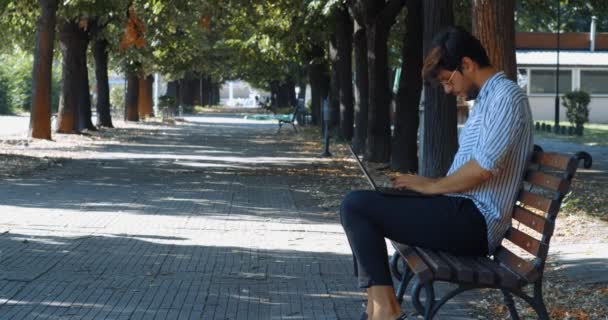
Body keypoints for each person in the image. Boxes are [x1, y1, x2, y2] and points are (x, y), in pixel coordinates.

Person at [340, 26, 533, 320]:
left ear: (466, 65)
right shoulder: (486, 101)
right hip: (460, 211)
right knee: (361, 205)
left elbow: (483, 169)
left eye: (447, 80)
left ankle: (384, 313)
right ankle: (376, 311)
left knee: (356, 207)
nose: (448, 90)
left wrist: (432, 187)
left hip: (475, 223)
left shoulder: (507, 97)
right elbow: (476, 170)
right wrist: (425, 185)